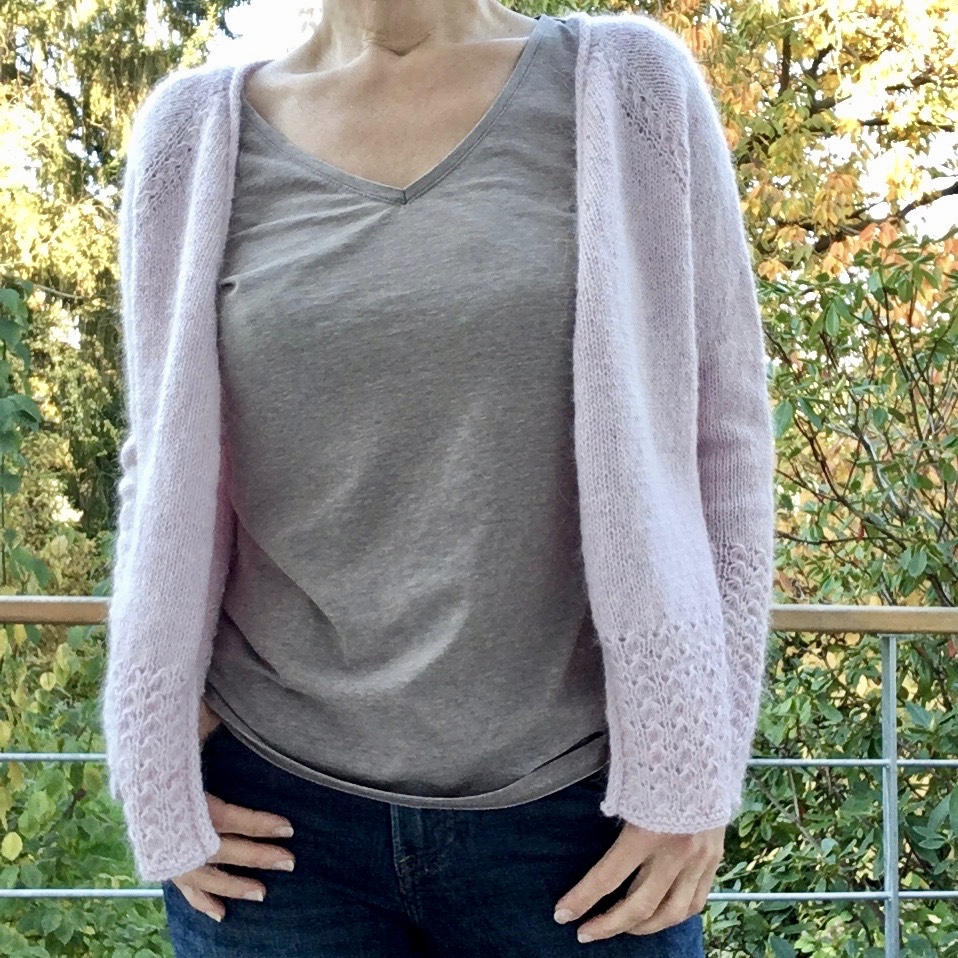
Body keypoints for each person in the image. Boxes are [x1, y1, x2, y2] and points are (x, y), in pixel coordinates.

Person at [104, 0, 777, 954]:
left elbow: (726, 443)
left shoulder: (631, 88)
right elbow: (159, 461)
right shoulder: (191, 133)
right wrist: (153, 744)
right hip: (278, 832)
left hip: (582, 823)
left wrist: (697, 764)